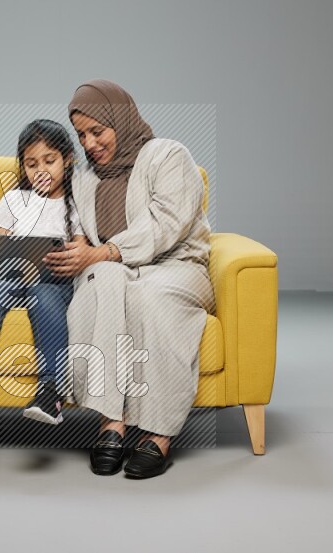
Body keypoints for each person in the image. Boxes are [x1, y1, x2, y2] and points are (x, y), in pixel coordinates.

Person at [42, 80, 216, 478]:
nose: (89, 144)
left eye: (97, 132)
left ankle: (158, 433)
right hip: (118, 269)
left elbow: (166, 223)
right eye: (81, 135)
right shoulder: (85, 178)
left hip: (176, 267)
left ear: (120, 120)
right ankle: (111, 419)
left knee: (147, 298)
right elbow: (74, 225)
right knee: (100, 283)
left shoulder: (168, 155)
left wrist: (104, 251)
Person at [0, 119, 88, 425]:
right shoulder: (15, 200)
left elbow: (81, 251)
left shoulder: (75, 203)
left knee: (45, 300)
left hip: (53, 282)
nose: (40, 171)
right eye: (31, 164)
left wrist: (67, 256)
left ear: (67, 159)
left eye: (49, 161)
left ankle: (50, 391)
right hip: (11, 277)